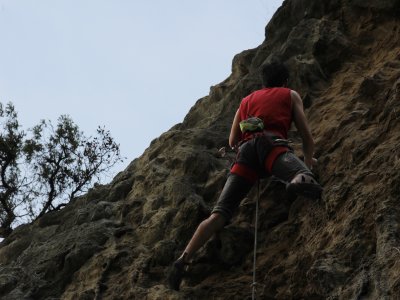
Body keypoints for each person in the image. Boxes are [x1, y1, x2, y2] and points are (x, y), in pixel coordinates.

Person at [167, 61, 322, 291]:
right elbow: (307, 137)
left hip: (245, 154)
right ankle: (293, 181)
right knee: (304, 177)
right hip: (272, 147)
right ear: (285, 81)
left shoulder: (246, 101)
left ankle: (182, 260)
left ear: (263, 82)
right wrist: (307, 164)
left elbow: (232, 141)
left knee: (218, 215)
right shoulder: (289, 95)